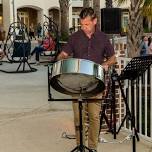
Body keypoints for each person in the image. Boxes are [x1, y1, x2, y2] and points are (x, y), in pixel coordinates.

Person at [57, 7, 116, 152]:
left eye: (87, 25)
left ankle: (93, 147)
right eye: (82, 24)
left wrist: (105, 64)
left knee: (95, 117)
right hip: (77, 84)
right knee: (79, 118)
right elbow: (62, 55)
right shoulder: (75, 37)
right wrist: (62, 57)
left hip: (95, 83)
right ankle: (80, 146)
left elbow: (113, 58)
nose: (84, 27)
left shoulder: (103, 38)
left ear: (94, 21)